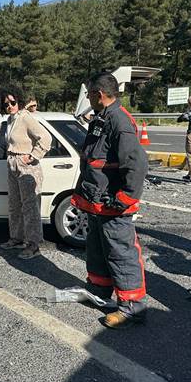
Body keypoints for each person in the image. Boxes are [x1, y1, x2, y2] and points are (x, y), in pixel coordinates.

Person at [71, 72, 149, 329]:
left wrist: (125, 197)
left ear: (98, 94)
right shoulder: (100, 118)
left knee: (120, 253)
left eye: (90, 94)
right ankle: (100, 291)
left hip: (113, 203)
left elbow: (136, 164)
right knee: (97, 249)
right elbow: (92, 159)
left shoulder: (119, 121)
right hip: (97, 201)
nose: (88, 98)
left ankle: (132, 307)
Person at [0, 86, 52, 260]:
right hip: (12, 163)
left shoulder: (26, 118)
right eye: (6, 104)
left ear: (19, 101)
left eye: (13, 102)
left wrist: (33, 156)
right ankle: (17, 238)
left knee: (30, 207)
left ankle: (33, 245)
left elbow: (46, 137)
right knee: (14, 204)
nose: (10, 106)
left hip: (26, 166)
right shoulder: (10, 120)